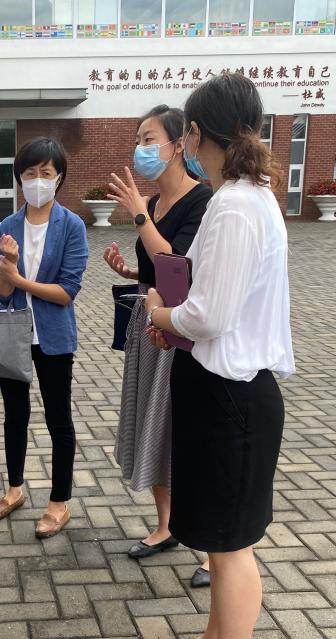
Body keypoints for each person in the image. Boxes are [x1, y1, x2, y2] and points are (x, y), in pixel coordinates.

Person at [145, 73, 293, 639]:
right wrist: (177, 318)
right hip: (222, 388)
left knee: (231, 546)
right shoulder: (247, 195)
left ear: (196, 134)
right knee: (220, 538)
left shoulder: (233, 205)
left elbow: (210, 315)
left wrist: (160, 312)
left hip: (231, 393)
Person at [103, 105, 213, 587]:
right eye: (139, 140)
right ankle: (167, 525)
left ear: (179, 144)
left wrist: (138, 214)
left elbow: (179, 263)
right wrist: (132, 272)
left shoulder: (201, 201)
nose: (141, 149)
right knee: (153, 427)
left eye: (149, 139)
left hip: (182, 334)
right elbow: (155, 267)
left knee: (185, 433)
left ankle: (214, 549)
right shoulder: (154, 204)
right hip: (150, 329)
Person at [0, 137, 89, 539]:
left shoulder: (72, 226)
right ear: (19, 178)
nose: (37, 181)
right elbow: (0, 292)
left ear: (59, 177)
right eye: (29, 173)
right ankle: (14, 489)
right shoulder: (7, 227)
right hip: (13, 332)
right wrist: (7, 272)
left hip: (53, 336)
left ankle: (58, 502)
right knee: (14, 415)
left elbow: (67, 292)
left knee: (58, 418)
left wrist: (19, 278)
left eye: (45, 173)